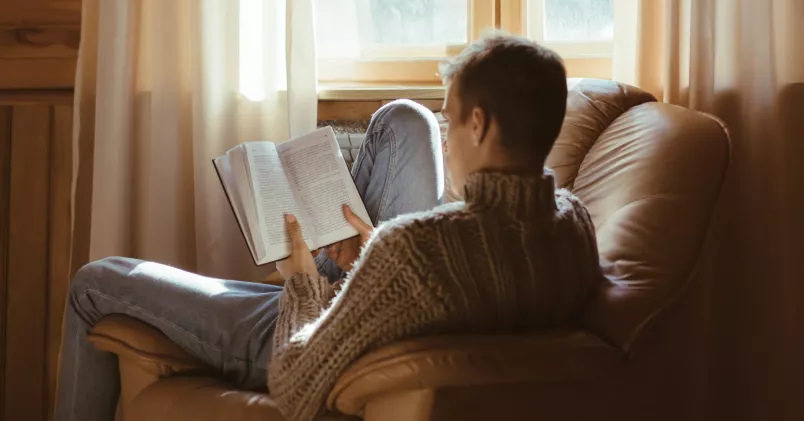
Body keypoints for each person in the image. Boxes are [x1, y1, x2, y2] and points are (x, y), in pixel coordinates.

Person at [55, 34, 601, 421]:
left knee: (96, 282)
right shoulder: (573, 227)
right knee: (401, 120)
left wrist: (299, 280)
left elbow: (295, 384)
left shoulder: (416, 246)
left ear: (478, 124)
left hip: (300, 332)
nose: (448, 136)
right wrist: (371, 261)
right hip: (361, 307)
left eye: (451, 119)